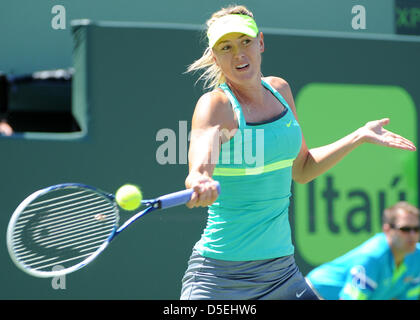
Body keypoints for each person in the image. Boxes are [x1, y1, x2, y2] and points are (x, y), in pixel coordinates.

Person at [180, 5, 417, 300]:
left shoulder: (280, 91)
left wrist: (358, 136)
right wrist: (199, 178)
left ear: (261, 42)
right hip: (221, 279)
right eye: (226, 47)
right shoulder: (216, 106)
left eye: (245, 42)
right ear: (215, 57)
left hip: (282, 275)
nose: (238, 54)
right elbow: (200, 158)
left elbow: (302, 169)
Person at [306, 201, 420, 300]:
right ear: (387, 230)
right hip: (312, 293)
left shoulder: (417, 256)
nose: (413, 235)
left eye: (417, 229)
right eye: (405, 229)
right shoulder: (372, 258)